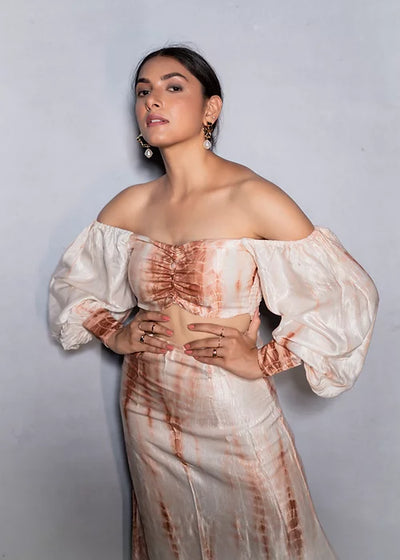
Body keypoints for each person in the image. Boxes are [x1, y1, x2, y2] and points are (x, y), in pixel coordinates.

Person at [48, 45, 379, 560]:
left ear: (211, 108)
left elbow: (346, 296)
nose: (152, 100)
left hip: (229, 406)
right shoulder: (130, 205)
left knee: (269, 537)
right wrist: (113, 332)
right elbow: (75, 284)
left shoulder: (251, 196)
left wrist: (266, 359)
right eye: (143, 90)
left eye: (173, 86)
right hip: (147, 409)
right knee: (171, 538)